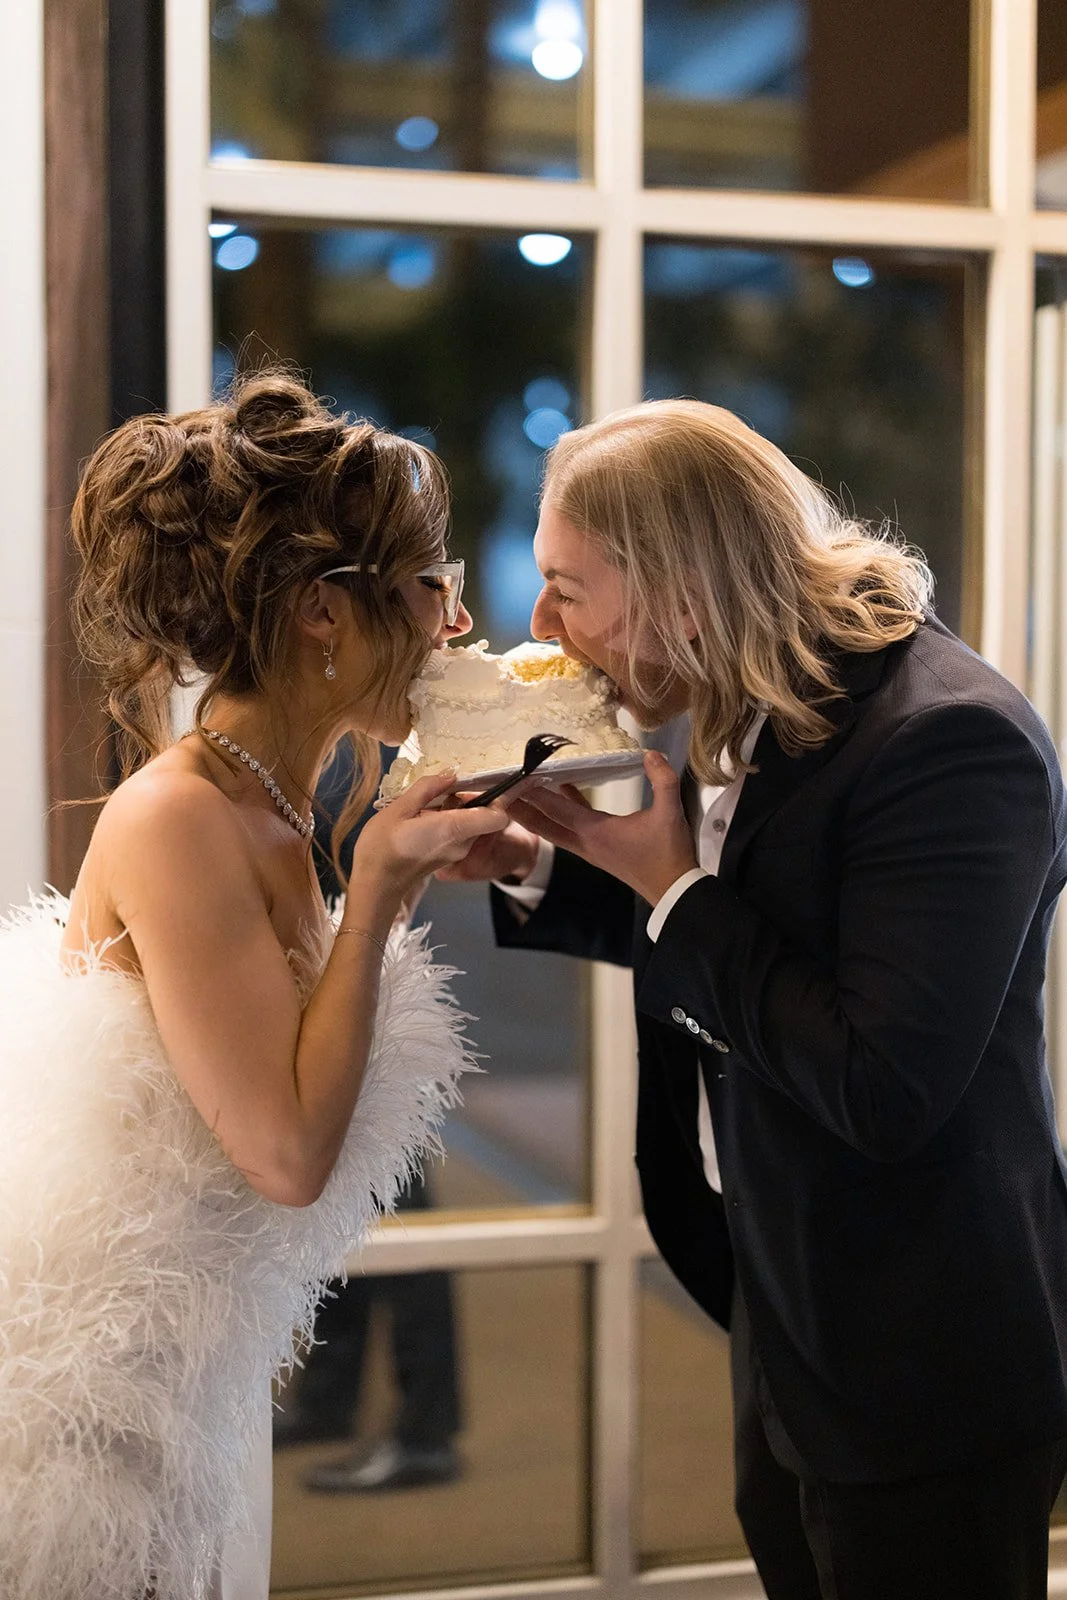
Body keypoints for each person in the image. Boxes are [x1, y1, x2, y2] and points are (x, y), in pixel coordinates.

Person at [441, 399, 1067, 1600]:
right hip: (786, 1308)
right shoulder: (768, 698)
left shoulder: (951, 741)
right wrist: (539, 863)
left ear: (682, 588)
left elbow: (877, 1084)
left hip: (919, 1349)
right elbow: (757, 948)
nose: (540, 622)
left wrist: (671, 881)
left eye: (570, 587)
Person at [0, 372, 507, 1600]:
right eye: (430, 583)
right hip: (98, 1419)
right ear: (325, 614)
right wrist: (380, 883)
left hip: (202, 1387)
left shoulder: (280, 804)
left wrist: (395, 861)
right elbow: (284, 1157)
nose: (454, 622)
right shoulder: (179, 815)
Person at [273, 743, 463, 1493]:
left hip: (374, 1008)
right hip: (317, 1014)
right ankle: (328, 1398)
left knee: (404, 1226)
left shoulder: (379, 736)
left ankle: (427, 1429)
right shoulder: (325, 734)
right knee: (342, 1218)